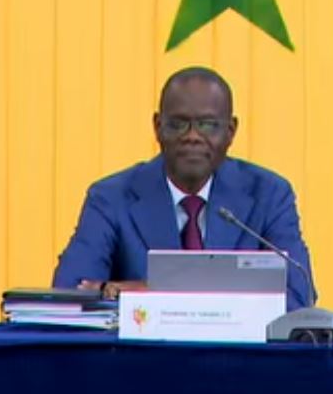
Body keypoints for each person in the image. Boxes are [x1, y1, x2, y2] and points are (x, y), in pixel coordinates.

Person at [52, 66, 314, 310]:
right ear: (157, 127)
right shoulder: (111, 197)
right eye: (178, 124)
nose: (192, 136)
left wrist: (148, 292)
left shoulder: (268, 195)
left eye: (208, 125)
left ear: (231, 131)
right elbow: (71, 294)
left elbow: (298, 296)